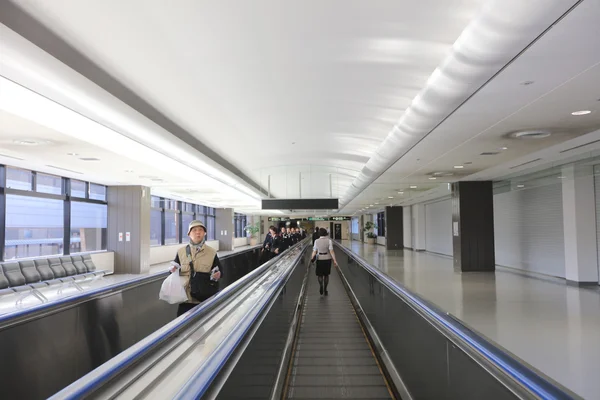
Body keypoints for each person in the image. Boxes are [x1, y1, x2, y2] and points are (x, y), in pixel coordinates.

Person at [170, 220, 222, 316]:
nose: (198, 232)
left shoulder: (212, 253)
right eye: (194, 230)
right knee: (183, 328)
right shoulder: (181, 252)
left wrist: (218, 275)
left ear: (204, 233)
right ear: (189, 234)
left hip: (205, 299)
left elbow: (220, 271)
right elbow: (173, 271)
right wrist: (172, 271)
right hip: (185, 300)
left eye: (201, 230)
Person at [311, 228, 339, 296]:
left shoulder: (316, 241)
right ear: (325, 233)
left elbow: (314, 251)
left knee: (320, 275)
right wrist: (335, 260)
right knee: (326, 275)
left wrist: (312, 259)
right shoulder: (329, 241)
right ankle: (325, 289)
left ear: (319, 234)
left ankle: (321, 285)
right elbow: (331, 251)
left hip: (319, 259)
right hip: (327, 259)